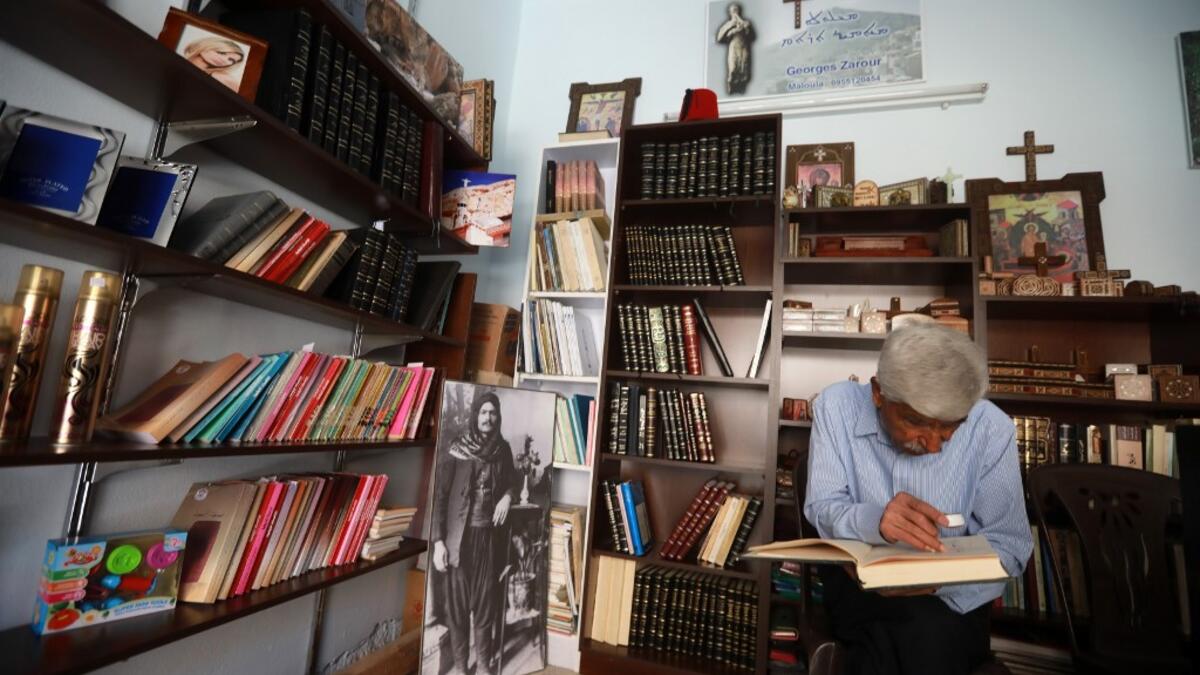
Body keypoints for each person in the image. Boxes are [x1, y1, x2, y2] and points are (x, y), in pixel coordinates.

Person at [804, 325, 1033, 675]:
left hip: (955, 600)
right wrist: (874, 520)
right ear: (879, 392)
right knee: (914, 634)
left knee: (906, 636)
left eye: (950, 427)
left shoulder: (992, 427)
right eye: (915, 422)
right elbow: (822, 506)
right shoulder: (836, 406)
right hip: (859, 589)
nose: (933, 446)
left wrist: (938, 582)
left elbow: (1012, 545)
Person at [430, 392, 516, 675]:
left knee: (485, 604)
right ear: (475, 415)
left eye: (492, 413)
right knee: (457, 610)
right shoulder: (456, 450)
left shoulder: (503, 450)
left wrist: (507, 496)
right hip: (458, 540)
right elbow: (440, 497)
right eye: (483, 412)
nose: (487, 418)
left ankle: (485, 666)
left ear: (498, 417)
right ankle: (462, 667)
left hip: (487, 538)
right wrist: (439, 541)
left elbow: (511, 482)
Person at [716, 2, 754, 95]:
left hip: (743, 47)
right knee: (733, 68)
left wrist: (745, 27)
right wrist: (732, 29)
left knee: (743, 68)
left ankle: (741, 89)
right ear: (730, 12)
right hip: (733, 47)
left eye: (736, 10)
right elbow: (719, 38)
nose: (735, 12)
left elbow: (751, 36)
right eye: (733, 10)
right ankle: (731, 87)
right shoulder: (728, 24)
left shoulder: (745, 22)